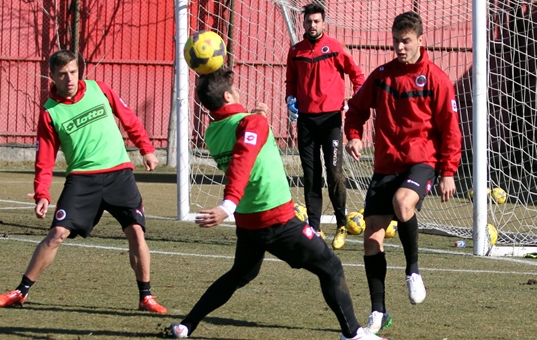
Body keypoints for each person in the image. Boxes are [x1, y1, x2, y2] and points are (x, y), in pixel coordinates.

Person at [168, 69, 386, 340]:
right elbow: (242, 160)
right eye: (234, 89)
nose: (238, 91)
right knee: (330, 266)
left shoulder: (214, 131)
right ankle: (353, 335)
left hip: (249, 223)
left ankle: (186, 325)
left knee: (240, 274)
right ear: (227, 95)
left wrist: (256, 119)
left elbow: (242, 135)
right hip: (276, 220)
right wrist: (227, 205)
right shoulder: (251, 124)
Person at [0, 50, 167, 314]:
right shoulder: (50, 112)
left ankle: (146, 297)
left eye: (73, 72)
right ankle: (21, 291)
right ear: (52, 76)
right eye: (63, 74)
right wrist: (42, 193)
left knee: (136, 231)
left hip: (119, 175)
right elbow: (45, 157)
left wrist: (146, 148)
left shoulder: (101, 90)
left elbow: (129, 119)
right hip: (82, 181)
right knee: (56, 235)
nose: (70, 78)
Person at [344, 11, 462, 334]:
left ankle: (413, 271)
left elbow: (451, 129)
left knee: (403, 203)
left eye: (406, 41)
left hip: (420, 162)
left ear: (420, 41)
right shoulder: (381, 76)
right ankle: (378, 313)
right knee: (371, 239)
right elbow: (355, 110)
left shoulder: (436, 78)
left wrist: (448, 171)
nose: (399, 47)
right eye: (395, 41)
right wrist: (353, 135)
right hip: (384, 166)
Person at [285, 3, 365, 250]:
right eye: (309, 21)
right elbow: (291, 82)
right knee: (310, 176)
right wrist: (290, 105)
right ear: (304, 23)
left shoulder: (335, 48)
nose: (312, 25)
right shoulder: (295, 51)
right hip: (306, 122)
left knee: (334, 173)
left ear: (323, 23)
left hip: (331, 121)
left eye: (317, 21)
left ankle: (341, 224)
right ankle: (314, 227)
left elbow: (358, 76)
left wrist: (354, 103)